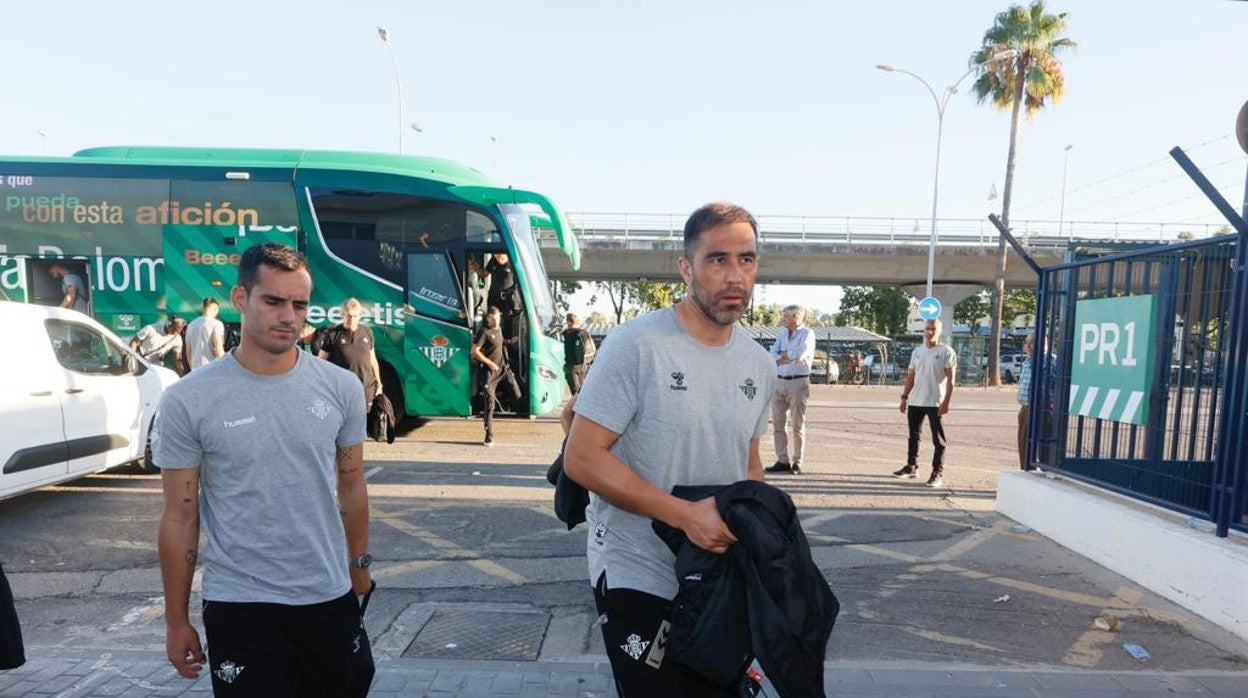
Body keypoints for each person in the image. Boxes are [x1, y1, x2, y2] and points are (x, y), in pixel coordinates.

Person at [563, 202, 774, 696]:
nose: (734, 275)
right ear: (686, 268)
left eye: (746, 259)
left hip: (715, 573)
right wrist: (684, 515)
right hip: (638, 568)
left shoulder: (759, 364)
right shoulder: (636, 345)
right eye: (717, 259)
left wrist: (755, 530)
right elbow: (582, 457)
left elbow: (748, 462)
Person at [153, 243, 372, 696]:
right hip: (240, 604)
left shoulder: (342, 388)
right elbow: (179, 515)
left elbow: (351, 485)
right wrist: (176, 621)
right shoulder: (188, 399)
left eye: (300, 305)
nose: (289, 316)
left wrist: (359, 565)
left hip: (327, 595)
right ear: (240, 298)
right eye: (273, 301)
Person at [894, 318, 956, 488]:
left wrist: (946, 402)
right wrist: (904, 398)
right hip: (916, 401)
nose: (929, 332)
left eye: (933, 329)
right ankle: (911, 466)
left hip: (935, 402)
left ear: (939, 331)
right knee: (914, 436)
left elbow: (951, 381)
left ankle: (937, 473)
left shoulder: (946, 351)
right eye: (927, 328)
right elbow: (911, 376)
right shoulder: (917, 352)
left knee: (938, 440)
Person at [765, 304, 815, 475]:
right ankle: (782, 460)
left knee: (797, 425)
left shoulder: (807, 334)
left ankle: (797, 462)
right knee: (778, 424)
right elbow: (772, 354)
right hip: (779, 382)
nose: (783, 318)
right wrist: (784, 356)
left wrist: (785, 356)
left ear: (796, 317)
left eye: (786, 316)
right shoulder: (782, 335)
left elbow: (798, 355)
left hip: (798, 382)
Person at [318, 298, 383, 407]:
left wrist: (379, 383)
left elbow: (373, 360)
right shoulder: (333, 334)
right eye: (348, 316)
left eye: (355, 316)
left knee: (364, 416)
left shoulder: (367, 332)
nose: (352, 319)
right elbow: (320, 362)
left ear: (360, 315)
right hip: (342, 388)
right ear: (342, 315)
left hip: (366, 387)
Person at [471, 305, 521, 446]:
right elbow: (474, 351)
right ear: (488, 318)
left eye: (498, 318)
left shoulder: (499, 330)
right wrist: (490, 363)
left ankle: (504, 403)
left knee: (517, 394)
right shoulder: (484, 332)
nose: (496, 321)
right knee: (489, 404)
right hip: (490, 372)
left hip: (503, 369)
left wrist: (511, 341)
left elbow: (499, 343)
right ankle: (489, 435)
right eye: (493, 319)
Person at [1017, 331, 1055, 471]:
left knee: (1044, 444)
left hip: (1043, 408)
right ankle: (1026, 470)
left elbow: (1057, 385)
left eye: (1031, 343)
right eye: (1026, 343)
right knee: (1024, 443)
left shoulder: (1051, 361)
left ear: (1042, 344)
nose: (1027, 346)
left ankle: (1047, 470)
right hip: (1026, 408)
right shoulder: (1027, 362)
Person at [184, 298, 225, 371]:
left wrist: (192, 367)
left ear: (203, 308)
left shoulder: (190, 325)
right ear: (215, 309)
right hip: (211, 369)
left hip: (195, 370)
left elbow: (188, 350)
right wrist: (224, 367)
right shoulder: (217, 324)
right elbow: (218, 348)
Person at [561, 313, 596, 395]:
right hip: (584, 364)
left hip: (571, 366)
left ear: (569, 321)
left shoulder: (565, 334)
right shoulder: (584, 332)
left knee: (575, 393)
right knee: (583, 391)